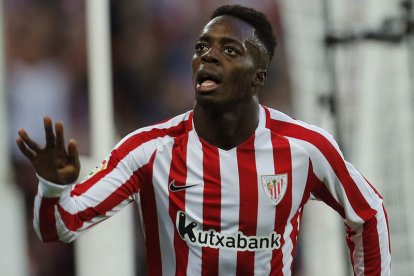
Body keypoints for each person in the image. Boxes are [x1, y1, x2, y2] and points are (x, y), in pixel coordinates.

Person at [16, 4, 391, 276]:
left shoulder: (305, 149)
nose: (209, 57)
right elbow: (59, 226)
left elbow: (368, 212)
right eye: (202, 48)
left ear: (259, 75)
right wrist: (53, 187)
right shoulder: (149, 150)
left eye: (229, 51)